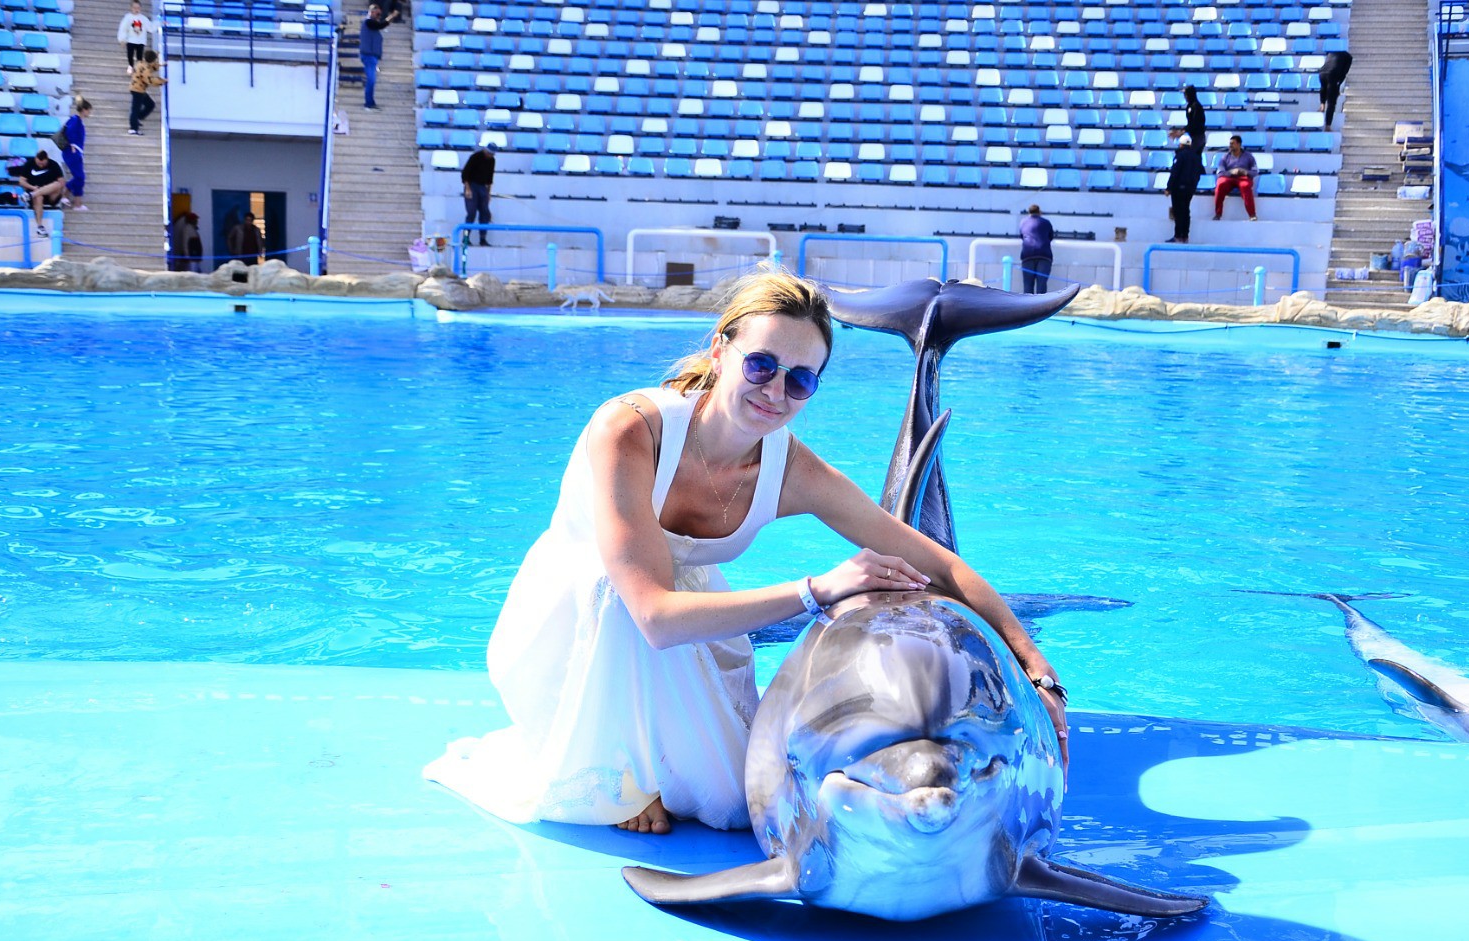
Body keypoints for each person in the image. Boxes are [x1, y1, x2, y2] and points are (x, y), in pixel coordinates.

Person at [423, 269, 1071, 835]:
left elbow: (939, 563)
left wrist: (1036, 668)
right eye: (761, 364)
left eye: (800, 380)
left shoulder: (790, 470)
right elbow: (651, 615)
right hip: (580, 626)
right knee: (612, 592)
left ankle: (657, 763)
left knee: (741, 802)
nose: (774, 391)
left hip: (689, 624)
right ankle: (613, 772)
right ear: (720, 349)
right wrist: (818, 590)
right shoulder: (630, 430)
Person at [14, 149, 66, 238]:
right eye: (39, 163)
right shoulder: (29, 164)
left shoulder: (53, 165)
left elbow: (62, 182)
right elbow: (21, 181)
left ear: (47, 159)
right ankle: (40, 226)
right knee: (39, 196)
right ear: (36, 159)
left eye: (43, 164)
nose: (41, 165)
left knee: (57, 184)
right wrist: (33, 188)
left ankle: (31, 195)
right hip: (35, 192)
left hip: (50, 195)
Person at [359, 3, 399, 110]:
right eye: (377, 14)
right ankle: (369, 103)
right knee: (371, 80)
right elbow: (381, 25)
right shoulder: (368, 22)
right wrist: (392, 16)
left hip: (372, 56)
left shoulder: (371, 24)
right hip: (368, 56)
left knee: (372, 80)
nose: (378, 17)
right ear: (372, 12)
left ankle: (370, 102)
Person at [1213, 135, 1259, 221]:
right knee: (1220, 184)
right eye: (1230, 143)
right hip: (1229, 178)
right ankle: (1218, 214)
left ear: (1239, 144)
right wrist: (1231, 172)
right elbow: (1220, 172)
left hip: (1243, 177)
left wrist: (1245, 172)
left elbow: (1255, 171)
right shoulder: (1225, 157)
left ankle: (1252, 215)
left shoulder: (1249, 156)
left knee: (1245, 186)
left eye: (1232, 143)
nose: (1230, 145)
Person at [1165, 134, 1201, 244]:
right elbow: (1198, 174)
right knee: (1186, 210)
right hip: (1190, 188)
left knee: (1178, 212)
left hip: (1179, 188)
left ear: (1181, 144)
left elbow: (1175, 173)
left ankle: (1178, 235)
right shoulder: (1196, 157)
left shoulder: (1180, 156)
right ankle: (1185, 236)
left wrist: (1169, 187)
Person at [59, 99, 90, 212]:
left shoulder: (76, 120)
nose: (89, 113)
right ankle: (76, 203)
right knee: (80, 177)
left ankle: (66, 196)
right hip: (72, 152)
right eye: (88, 110)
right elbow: (69, 132)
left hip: (75, 152)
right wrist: (72, 144)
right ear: (84, 110)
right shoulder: (76, 120)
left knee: (79, 177)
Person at [128, 49, 168, 136]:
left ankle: (137, 118)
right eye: (155, 60)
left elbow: (152, 67)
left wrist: (161, 65)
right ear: (152, 60)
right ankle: (133, 128)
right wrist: (163, 81)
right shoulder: (145, 69)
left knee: (150, 104)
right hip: (137, 90)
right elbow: (150, 80)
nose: (155, 61)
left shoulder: (142, 63)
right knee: (135, 109)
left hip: (138, 88)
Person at [461, 145, 495, 245]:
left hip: (483, 187)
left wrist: (488, 193)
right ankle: (466, 238)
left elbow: (490, 178)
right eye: (489, 153)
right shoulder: (475, 157)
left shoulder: (492, 161)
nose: (490, 155)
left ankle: (483, 238)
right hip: (472, 185)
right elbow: (465, 174)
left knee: (485, 213)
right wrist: (468, 189)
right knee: (471, 213)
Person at [1017, 204, 1054, 294]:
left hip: (1027, 255)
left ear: (1029, 212)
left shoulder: (1023, 222)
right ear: (1039, 212)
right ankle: (1041, 303)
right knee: (1041, 285)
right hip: (1044, 255)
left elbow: (1022, 236)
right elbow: (1051, 236)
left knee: (1028, 286)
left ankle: (1027, 303)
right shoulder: (1046, 222)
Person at [117, 0, 156, 74]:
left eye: (138, 8)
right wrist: (122, 39)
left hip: (140, 41)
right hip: (130, 40)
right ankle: (131, 66)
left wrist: (159, 23)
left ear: (140, 8)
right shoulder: (128, 17)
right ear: (131, 8)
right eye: (134, 8)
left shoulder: (143, 18)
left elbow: (150, 27)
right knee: (130, 54)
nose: (136, 9)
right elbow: (123, 29)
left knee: (139, 56)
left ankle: (138, 68)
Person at [1317, 51, 1353, 131]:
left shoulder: (1331, 53)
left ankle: (1322, 105)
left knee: (1323, 87)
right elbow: (1344, 73)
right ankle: (1328, 126)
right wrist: (1338, 86)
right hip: (1332, 74)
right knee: (1331, 102)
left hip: (1322, 73)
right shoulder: (1348, 57)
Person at [1182, 85, 1207, 157]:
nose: (1185, 97)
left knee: (1191, 157)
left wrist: (1183, 130)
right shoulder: (1190, 106)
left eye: (1185, 94)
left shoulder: (1196, 106)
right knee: (1195, 159)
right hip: (1194, 136)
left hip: (1198, 137)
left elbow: (1195, 123)